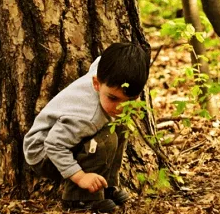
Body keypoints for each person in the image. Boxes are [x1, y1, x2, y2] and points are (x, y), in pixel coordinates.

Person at [23, 42, 150, 213]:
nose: (120, 107)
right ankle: (79, 198)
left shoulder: (104, 70)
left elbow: (99, 61)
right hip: (43, 153)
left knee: (119, 126)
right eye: (113, 98)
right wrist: (80, 177)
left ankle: (106, 186)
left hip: (65, 138)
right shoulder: (88, 117)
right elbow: (54, 145)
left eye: (130, 99)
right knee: (106, 139)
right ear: (96, 84)